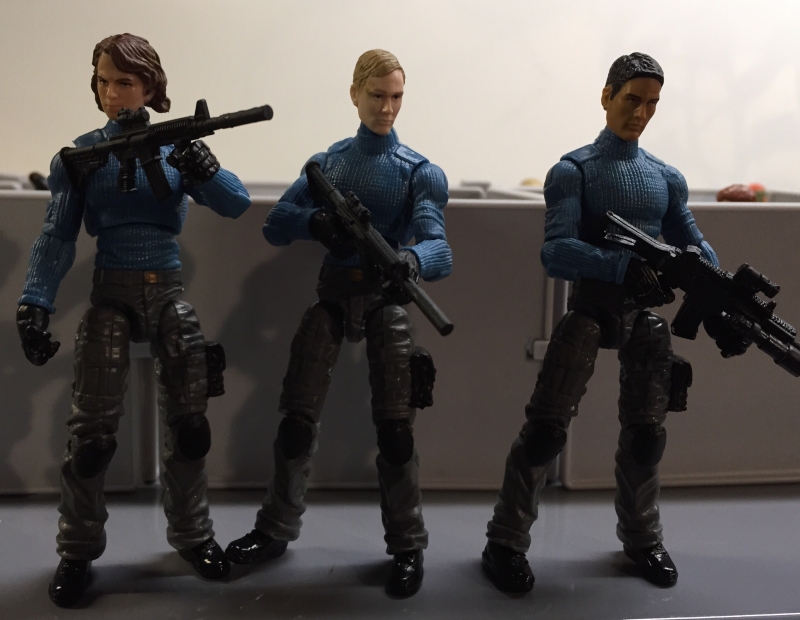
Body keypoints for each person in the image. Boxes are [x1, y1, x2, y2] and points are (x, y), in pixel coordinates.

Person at [481, 52, 747, 593]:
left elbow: (694, 240)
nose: (641, 113)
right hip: (589, 309)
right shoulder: (574, 170)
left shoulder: (664, 177)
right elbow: (556, 251)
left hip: (644, 316)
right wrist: (620, 265)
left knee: (647, 436)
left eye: (652, 103)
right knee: (546, 432)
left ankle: (643, 538)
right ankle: (505, 540)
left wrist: (713, 282)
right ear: (606, 96)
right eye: (631, 100)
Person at [16, 33, 252, 607]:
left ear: (150, 88)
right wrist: (35, 301)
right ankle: (76, 549)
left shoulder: (175, 147)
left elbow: (236, 203)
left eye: (124, 82)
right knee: (91, 439)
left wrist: (206, 167)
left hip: (168, 292)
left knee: (190, 428)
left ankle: (193, 535)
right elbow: (56, 236)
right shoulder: (79, 157)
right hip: (111, 294)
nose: (112, 93)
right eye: (103, 81)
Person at [224, 49, 451, 598]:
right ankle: (275, 528)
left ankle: (407, 543)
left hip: (386, 298)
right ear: (354, 94)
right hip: (332, 294)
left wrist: (411, 259)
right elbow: (275, 224)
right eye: (377, 95)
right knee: (296, 422)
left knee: (395, 431)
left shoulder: (419, 171)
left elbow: (439, 248)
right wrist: (317, 222)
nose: (387, 107)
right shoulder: (328, 163)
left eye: (396, 97)